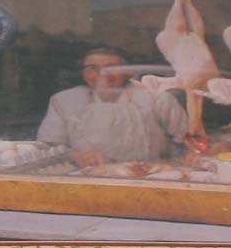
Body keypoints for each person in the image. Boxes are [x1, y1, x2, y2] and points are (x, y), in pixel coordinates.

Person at [37, 46, 189, 166]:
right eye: (92, 68)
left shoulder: (156, 98)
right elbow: (49, 147)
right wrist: (77, 156)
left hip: (150, 176)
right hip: (88, 177)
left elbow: (188, 140)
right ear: (83, 73)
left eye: (113, 68)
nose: (103, 74)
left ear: (127, 73)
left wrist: (183, 160)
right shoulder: (64, 101)